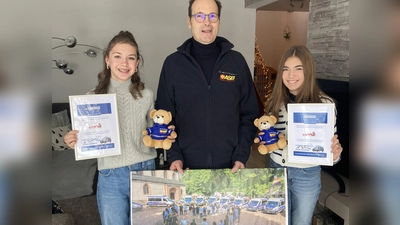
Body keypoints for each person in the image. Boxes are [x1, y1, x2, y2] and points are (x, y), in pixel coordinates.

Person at [63, 31, 172, 225]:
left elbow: (150, 132)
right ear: (107, 60)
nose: (124, 63)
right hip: (111, 174)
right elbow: (86, 135)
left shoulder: (146, 95)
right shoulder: (92, 97)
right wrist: (74, 140)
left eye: (131, 58)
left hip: (145, 169)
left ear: (137, 63)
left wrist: (164, 136)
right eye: (117, 56)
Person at [155, 0, 259, 174]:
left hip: (231, 168)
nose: (207, 22)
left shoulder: (236, 62)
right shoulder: (173, 64)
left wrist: (241, 155)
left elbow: (250, 114)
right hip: (185, 168)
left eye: (212, 16)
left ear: (219, 21)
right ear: (189, 21)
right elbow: (164, 116)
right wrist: (174, 156)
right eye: (199, 16)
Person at [263, 45, 343, 225]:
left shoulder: (325, 104)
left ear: (308, 71)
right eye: (286, 69)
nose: (291, 76)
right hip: (277, 170)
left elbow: (331, 151)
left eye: (298, 69)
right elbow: (270, 139)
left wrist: (335, 155)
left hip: (306, 175)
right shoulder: (275, 101)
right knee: (277, 221)